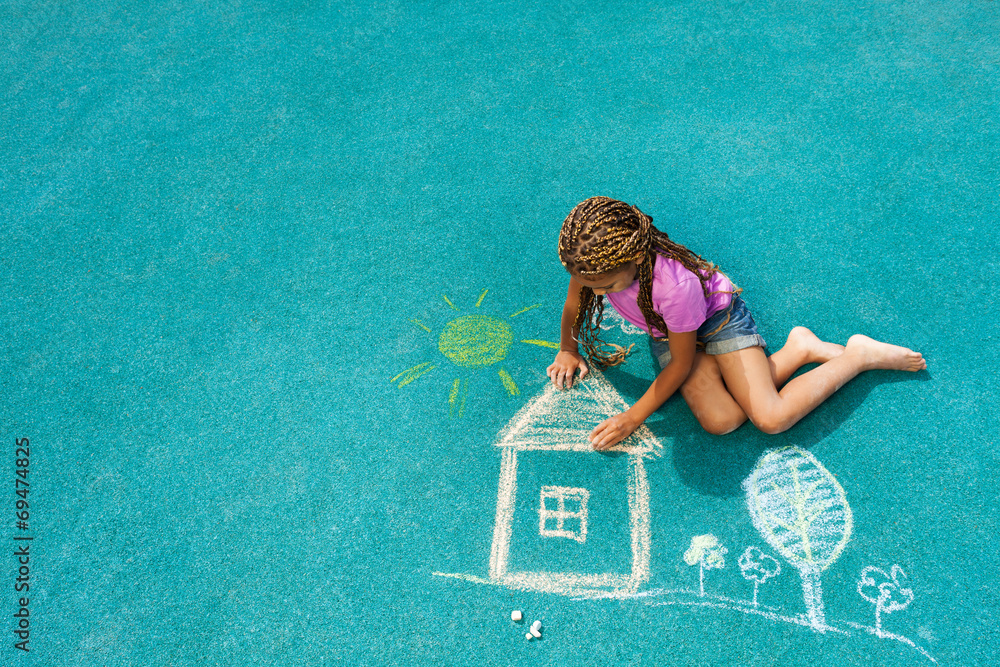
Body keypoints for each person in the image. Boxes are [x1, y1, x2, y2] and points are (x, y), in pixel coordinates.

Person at [547, 196, 926, 450]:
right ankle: (799, 348)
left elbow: (680, 365)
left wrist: (632, 418)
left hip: (718, 322)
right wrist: (568, 348)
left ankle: (858, 356)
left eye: (608, 286)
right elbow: (572, 304)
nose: (598, 294)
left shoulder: (675, 285)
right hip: (674, 333)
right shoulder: (592, 263)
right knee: (722, 420)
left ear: (635, 257)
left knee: (771, 418)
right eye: (591, 285)